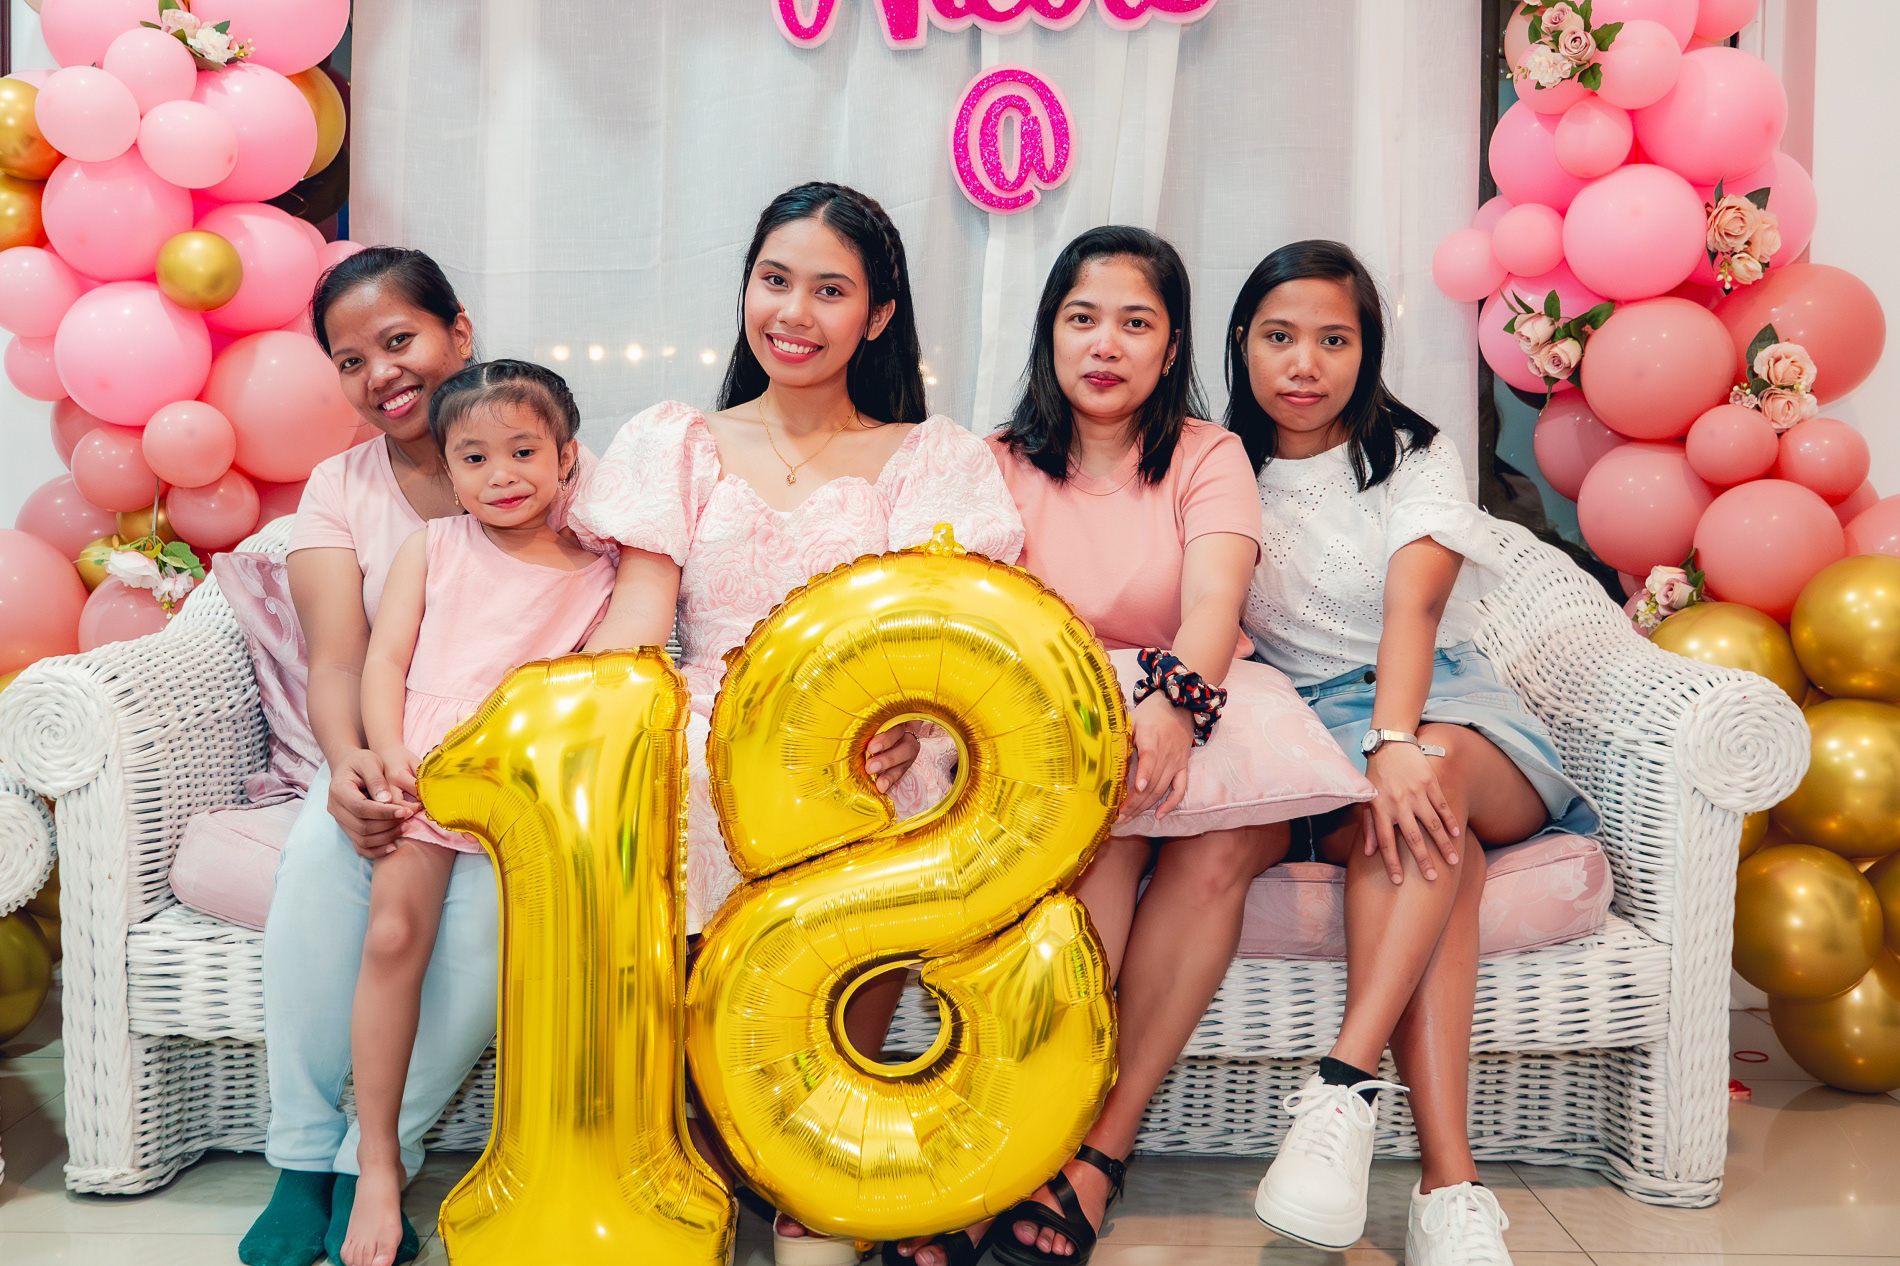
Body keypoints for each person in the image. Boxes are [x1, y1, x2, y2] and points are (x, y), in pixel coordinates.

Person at [893, 227, 1371, 1266]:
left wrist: (1172, 705)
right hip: (1057, 722)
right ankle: (1014, 1146)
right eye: (1082, 318)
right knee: (1095, 854)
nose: (1105, 344)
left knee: (1216, 853)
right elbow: (967, 618)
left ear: (1171, 345)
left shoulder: (1208, 454)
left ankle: (1098, 1152)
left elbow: (1213, 602)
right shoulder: (992, 464)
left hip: (1204, 702)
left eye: (1135, 322)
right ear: (1050, 333)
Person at [568, 181, 1024, 1266]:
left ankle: (815, 1164)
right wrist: (578, 717)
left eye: (830, 290)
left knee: (876, 799)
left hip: (871, 728)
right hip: (707, 715)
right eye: (775, 281)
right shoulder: (680, 442)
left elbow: (944, 631)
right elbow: (639, 614)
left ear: (877, 315)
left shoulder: (931, 456)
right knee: (672, 776)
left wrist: (915, 722)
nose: (794, 312)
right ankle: (696, 1146)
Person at [1231, 240, 1598, 1266]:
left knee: (1427, 782)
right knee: (1441, 850)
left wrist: (1394, 738)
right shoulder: (1218, 464)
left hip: (1450, 705)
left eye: (1333, 340)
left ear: (1368, 350)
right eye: (1279, 337)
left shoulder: (1415, 450)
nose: (1305, 364)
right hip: (1314, 730)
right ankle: (1450, 1189)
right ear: (1243, 343)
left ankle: (1339, 1087)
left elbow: (1416, 608)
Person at [242, 250, 593, 1266]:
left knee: (483, 934)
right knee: (320, 867)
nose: (381, 374)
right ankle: (301, 1155)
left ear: (458, 332)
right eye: (351, 361)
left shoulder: (551, 463)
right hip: (386, 745)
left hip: (513, 783)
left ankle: (375, 1154)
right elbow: (341, 658)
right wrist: (351, 766)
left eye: (399, 341)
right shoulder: (339, 487)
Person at [339, 361, 614, 1266]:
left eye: (524, 451)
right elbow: (385, 661)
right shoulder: (434, 547)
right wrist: (387, 749)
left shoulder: (599, 570)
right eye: (475, 457)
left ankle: (543, 1162)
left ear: (566, 457)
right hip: (424, 773)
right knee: (392, 938)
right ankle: (376, 1161)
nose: (502, 475)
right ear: (449, 469)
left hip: (524, 796)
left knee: (545, 962)